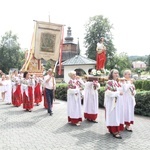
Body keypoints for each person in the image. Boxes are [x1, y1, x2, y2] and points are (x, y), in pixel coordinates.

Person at [104, 69, 124, 139]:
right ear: (111, 74)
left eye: (117, 73)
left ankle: (115, 129)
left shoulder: (117, 82)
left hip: (118, 103)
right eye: (115, 73)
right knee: (113, 116)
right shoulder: (109, 82)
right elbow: (107, 93)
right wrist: (118, 93)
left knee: (117, 116)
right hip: (112, 103)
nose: (117, 74)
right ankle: (114, 131)